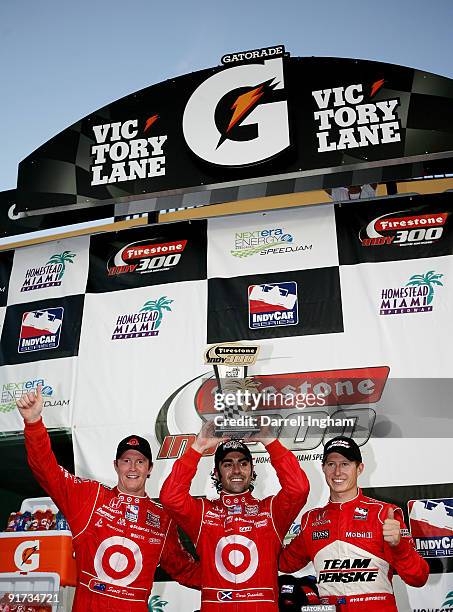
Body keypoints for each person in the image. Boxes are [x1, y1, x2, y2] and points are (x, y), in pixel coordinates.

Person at [16, 386, 200, 612]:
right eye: (126, 461)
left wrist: (232, 582)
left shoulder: (162, 519)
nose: (133, 467)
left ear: (150, 468)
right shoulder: (90, 497)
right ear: (116, 465)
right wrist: (34, 423)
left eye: (140, 461)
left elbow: (184, 569)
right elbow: (47, 471)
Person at [159, 421, 310, 611]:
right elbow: (170, 497)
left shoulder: (271, 511)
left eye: (243, 463)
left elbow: (299, 489)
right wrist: (198, 446)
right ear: (216, 472)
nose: (237, 470)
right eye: (228, 464)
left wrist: (269, 441)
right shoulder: (203, 513)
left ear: (252, 471)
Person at [279, 436, 429, 611]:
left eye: (345, 464)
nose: (337, 472)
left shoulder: (383, 514)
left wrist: (399, 546)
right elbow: (285, 563)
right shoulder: (312, 520)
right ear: (323, 469)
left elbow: (419, 578)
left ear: (360, 469)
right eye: (331, 464)